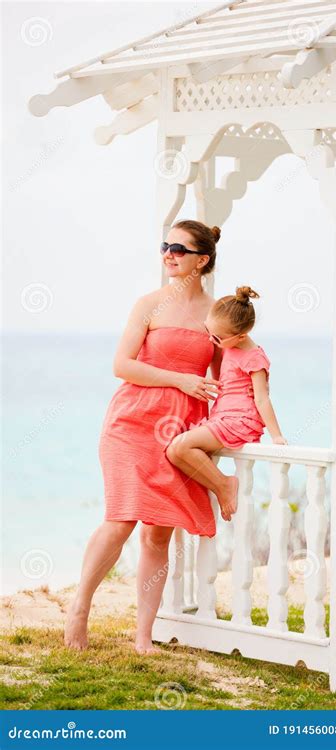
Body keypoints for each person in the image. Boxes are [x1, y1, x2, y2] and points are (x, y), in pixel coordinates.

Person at [64, 219, 223, 654]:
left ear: (202, 259)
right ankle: (80, 608)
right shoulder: (148, 304)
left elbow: (227, 380)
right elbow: (122, 365)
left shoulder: (217, 314)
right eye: (165, 246)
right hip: (131, 423)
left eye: (179, 249)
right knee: (120, 521)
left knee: (158, 534)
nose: (168, 254)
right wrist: (180, 380)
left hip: (180, 434)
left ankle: (142, 636)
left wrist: (236, 427)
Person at [166, 286, 287, 522]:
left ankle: (224, 486)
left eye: (217, 338)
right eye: (209, 333)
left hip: (240, 420)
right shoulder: (230, 346)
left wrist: (276, 436)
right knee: (174, 450)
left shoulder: (254, 358)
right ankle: (219, 486)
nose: (212, 341)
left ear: (240, 336)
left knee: (180, 447)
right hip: (223, 416)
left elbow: (262, 399)